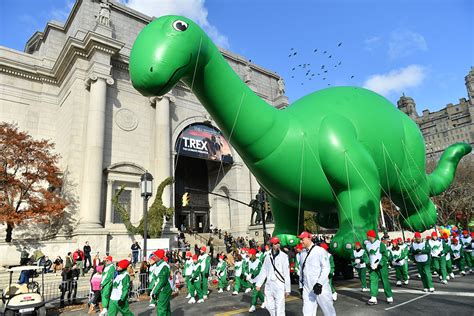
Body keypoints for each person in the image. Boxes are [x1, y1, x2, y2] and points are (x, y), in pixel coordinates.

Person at [297, 231, 336, 316]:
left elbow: (326, 268)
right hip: (307, 288)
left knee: (328, 311)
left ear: (309, 238)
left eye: (302, 239)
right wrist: (301, 286)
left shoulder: (320, 251)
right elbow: (301, 270)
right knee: (307, 312)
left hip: (320, 288)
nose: (301, 241)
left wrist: (319, 283)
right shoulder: (302, 253)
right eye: (300, 239)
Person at [255, 237, 291, 316]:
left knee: (280, 307)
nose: (277, 245)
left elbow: (286, 274)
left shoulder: (284, 256)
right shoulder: (268, 256)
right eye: (275, 243)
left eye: (278, 243)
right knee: (269, 305)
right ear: (272, 245)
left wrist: (287, 289)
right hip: (269, 284)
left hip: (279, 284)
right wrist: (259, 284)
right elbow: (263, 270)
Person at [365, 229, 393, 305]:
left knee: (384, 281)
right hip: (372, 267)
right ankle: (373, 297)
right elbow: (366, 255)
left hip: (381, 267)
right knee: (373, 281)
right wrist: (368, 263)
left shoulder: (380, 244)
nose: (367, 237)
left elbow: (385, 255)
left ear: (370, 236)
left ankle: (389, 296)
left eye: (367, 235)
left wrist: (379, 264)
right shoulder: (367, 245)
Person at [150, 249, 172, 316]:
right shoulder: (157, 265)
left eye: (155, 255)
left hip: (164, 290)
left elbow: (162, 281)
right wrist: (150, 288)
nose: (153, 257)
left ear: (159, 257)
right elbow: (155, 278)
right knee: (166, 308)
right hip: (161, 289)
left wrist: (155, 291)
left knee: (161, 308)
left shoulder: (164, 266)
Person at [248, 248, 265, 313]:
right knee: (258, 292)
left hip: (258, 279)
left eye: (249, 253)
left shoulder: (258, 261)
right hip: (253, 279)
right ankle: (264, 301)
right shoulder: (249, 261)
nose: (248, 254)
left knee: (254, 293)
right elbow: (249, 268)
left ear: (253, 254)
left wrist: (252, 275)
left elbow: (258, 270)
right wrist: (248, 275)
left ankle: (253, 305)